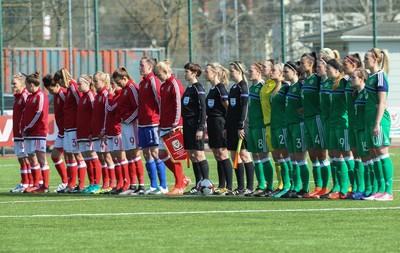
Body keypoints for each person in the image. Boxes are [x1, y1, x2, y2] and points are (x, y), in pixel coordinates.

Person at [154, 60, 190, 195]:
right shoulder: (163, 86)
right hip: (164, 125)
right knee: (161, 154)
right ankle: (183, 179)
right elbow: (163, 107)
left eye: (159, 75)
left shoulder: (174, 83)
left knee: (176, 156)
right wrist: (160, 123)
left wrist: (176, 123)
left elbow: (178, 105)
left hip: (175, 125)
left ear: (165, 71)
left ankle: (179, 185)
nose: (158, 77)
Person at [362, 48, 393, 201]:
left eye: (366, 58)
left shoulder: (380, 77)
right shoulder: (371, 77)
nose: (364, 61)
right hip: (369, 120)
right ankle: (379, 190)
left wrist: (377, 123)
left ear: (375, 59)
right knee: (374, 156)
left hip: (378, 121)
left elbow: (382, 102)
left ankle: (388, 191)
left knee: (383, 154)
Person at [138, 57, 170, 194]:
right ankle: (153, 185)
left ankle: (163, 186)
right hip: (143, 123)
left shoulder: (153, 80)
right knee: (146, 153)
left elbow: (159, 100)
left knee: (155, 153)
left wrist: (159, 120)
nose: (140, 67)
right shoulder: (142, 83)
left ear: (150, 67)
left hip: (152, 122)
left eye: (142, 65)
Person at [112, 67, 145, 195]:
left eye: (119, 82)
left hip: (132, 124)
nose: (118, 85)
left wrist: (128, 119)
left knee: (135, 154)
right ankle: (132, 185)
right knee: (129, 155)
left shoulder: (132, 88)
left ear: (124, 78)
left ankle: (141, 186)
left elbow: (138, 107)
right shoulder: (124, 90)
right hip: (125, 125)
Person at [53, 68, 86, 193]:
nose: (60, 86)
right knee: (69, 155)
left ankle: (80, 184)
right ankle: (71, 184)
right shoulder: (69, 88)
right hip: (68, 127)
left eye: (59, 82)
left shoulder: (73, 86)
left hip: (74, 126)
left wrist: (79, 123)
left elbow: (80, 103)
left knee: (77, 155)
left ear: (62, 80)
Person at [224, 61, 254, 196]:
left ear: (239, 71)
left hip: (240, 126)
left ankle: (250, 186)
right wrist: (226, 126)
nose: (230, 73)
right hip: (231, 126)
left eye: (232, 71)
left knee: (244, 154)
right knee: (234, 155)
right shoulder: (234, 87)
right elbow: (230, 108)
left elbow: (245, 108)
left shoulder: (243, 87)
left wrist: (241, 125)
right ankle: (240, 187)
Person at [204, 62, 233, 195]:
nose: (205, 73)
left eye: (207, 71)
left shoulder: (221, 88)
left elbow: (228, 107)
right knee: (216, 154)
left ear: (215, 73)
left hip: (219, 122)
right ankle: (221, 185)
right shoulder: (212, 89)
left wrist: (227, 125)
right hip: (211, 122)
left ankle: (229, 186)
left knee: (222, 153)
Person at [247, 61, 275, 197]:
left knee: (264, 155)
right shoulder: (251, 88)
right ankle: (261, 185)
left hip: (261, 126)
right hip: (252, 126)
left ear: (258, 72)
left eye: (251, 71)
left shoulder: (263, 86)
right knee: (255, 157)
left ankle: (269, 187)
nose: (248, 73)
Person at [324, 58, 350, 199]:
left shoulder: (345, 82)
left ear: (337, 70)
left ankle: (345, 188)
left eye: (329, 68)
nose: (326, 70)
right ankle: (336, 186)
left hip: (342, 123)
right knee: (333, 155)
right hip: (332, 123)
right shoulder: (333, 84)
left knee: (345, 155)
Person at [282, 61, 309, 198]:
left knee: (300, 158)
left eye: (286, 71)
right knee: (292, 158)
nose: (284, 73)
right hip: (289, 125)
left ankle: (304, 188)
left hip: (299, 125)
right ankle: (294, 186)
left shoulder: (300, 86)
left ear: (295, 72)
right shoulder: (289, 87)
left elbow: (307, 104)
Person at [182, 62, 209, 194]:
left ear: (193, 73)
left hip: (195, 125)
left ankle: (206, 184)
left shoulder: (199, 88)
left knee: (199, 154)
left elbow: (203, 108)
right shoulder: (189, 88)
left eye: (187, 71)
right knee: (192, 155)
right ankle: (198, 185)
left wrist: (200, 127)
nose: (184, 73)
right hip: (187, 125)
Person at [21, 71, 50, 193]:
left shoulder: (40, 95)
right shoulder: (30, 96)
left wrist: (27, 128)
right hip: (29, 133)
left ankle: (45, 186)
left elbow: (39, 114)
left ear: (32, 84)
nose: (25, 87)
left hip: (38, 132)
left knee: (42, 159)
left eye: (26, 85)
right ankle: (35, 183)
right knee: (31, 158)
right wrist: (23, 127)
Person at [269, 62, 292, 198]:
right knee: (278, 156)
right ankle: (285, 184)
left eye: (274, 70)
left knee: (285, 155)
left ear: (281, 73)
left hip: (283, 125)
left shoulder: (286, 87)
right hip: (275, 125)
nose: (271, 72)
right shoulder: (275, 87)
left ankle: (290, 185)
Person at [76, 75, 102, 194]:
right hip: (81, 132)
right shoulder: (82, 97)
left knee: (93, 157)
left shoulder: (91, 96)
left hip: (89, 133)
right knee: (86, 158)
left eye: (80, 83)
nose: (78, 86)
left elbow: (95, 114)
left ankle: (96, 183)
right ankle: (91, 183)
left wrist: (92, 131)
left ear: (87, 83)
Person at [342, 53, 364, 198]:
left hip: (359, 122)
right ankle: (355, 186)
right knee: (355, 156)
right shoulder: (346, 81)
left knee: (363, 157)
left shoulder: (361, 80)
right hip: (351, 123)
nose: (343, 66)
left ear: (354, 65)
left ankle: (362, 187)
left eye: (345, 64)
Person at [43, 74, 69, 193]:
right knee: (55, 156)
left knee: (73, 158)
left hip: (68, 131)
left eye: (51, 89)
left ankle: (73, 183)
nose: (50, 92)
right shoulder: (57, 95)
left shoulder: (63, 94)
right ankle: (65, 182)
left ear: (57, 85)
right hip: (62, 132)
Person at [260, 59, 283, 194]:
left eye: (269, 68)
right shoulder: (266, 85)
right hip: (267, 124)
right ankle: (276, 185)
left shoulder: (279, 85)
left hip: (277, 124)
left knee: (281, 155)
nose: (265, 69)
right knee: (275, 156)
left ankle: (283, 185)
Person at [92, 72, 115, 193]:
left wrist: (103, 130)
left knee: (107, 156)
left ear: (103, 81)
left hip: (103, 131)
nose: (94, 84)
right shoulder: (98, 95)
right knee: (101, 157)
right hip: (97, 131)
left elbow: (107, 114)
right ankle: (105, 182)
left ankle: (111, 182)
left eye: (96, 81)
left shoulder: (106, 94)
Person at [350, 68, 370, 200]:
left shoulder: (367, 93)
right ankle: (361, 188)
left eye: (353, 77)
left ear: (362, 78)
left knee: (369, 161)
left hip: (365, 129)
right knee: (362, 160)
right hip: (358, 129)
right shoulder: (357, 93)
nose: (351, 79)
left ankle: (368, 189)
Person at [9, 73, 31, 193]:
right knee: (21, 158)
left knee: (25, 158)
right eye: (12, 83)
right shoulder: (17, 97)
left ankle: (28, 182)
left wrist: (24, 129)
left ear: (22, 84)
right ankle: (25, 182)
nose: (12, 86)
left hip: (23, 133)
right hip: (17, 133)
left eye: (14, 84)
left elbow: (27, 115)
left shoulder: (24, 96)